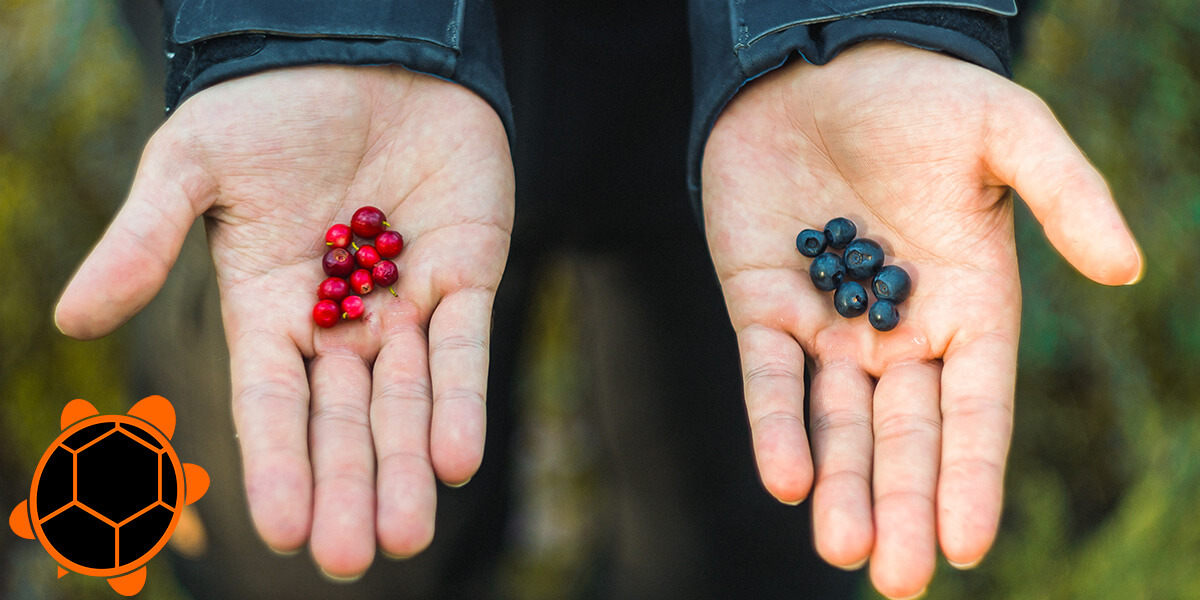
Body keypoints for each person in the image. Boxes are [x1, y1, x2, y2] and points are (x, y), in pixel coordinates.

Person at [55, 0, 1143, 598]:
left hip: (769, 99)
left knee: (750, 518)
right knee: (325, 549)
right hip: (316, 115)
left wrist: (871, 15)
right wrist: (314, 22)